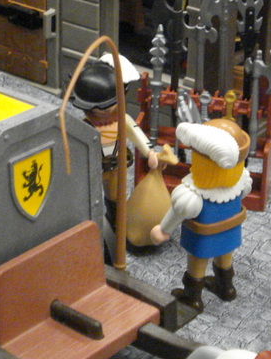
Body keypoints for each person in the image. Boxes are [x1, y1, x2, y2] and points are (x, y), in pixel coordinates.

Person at [150, 119, 251, 311]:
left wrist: (163, 230)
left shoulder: (191, 193)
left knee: (198, 260)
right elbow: (245, 195)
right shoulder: (242, 181)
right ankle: (226, 288)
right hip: (230, 233)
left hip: (202, 239)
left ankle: (193, 298)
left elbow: (178, 213)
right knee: (225, 255)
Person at [71, 54, 158, 226]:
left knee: (116, 197)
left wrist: (150, 152)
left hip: (117, 166)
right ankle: (90, 226)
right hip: (93, 168)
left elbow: (137, 134)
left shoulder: (122, 120)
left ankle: (115, 222)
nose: (104, 113)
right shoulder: (85, 125)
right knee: (89, 198)